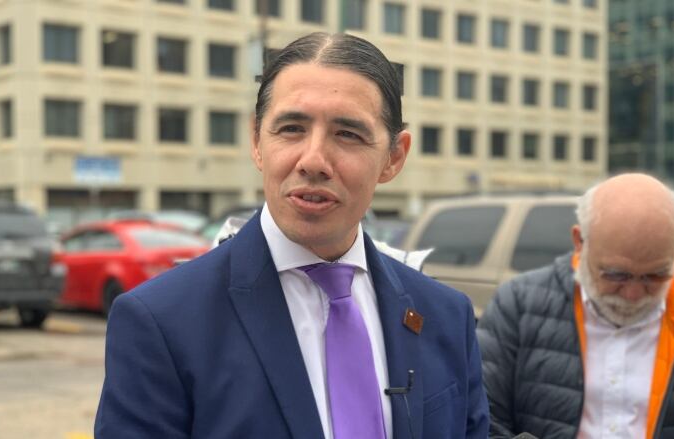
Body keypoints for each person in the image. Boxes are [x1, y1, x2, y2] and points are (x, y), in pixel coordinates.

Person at [95, 32, 489, 439]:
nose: (314, 160)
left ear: (393, 158)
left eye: (348, 134)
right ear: (256, 141)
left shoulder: (446, 317)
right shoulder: (162, 321)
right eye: (292, 128)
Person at [477, 173, 674, 438]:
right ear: (580, 242)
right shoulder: (519, 306)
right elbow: (482, 421)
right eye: (616, 275)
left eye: (656, 275)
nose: (633, 294)